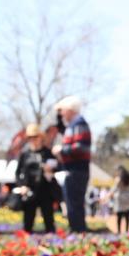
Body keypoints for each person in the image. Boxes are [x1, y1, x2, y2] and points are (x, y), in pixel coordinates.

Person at [53, 96, 92, 233]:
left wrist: (62, 150)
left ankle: (78, 231)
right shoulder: (71, 125)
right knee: (71, 203)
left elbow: (81, 147)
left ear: (70, 110)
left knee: (75, 204)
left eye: (63, 110)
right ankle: (76, 230)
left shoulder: (79, 124)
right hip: (72, 169)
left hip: (77, 170)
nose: (61, 114)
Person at [15, 123, 57, 233]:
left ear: (40, 137)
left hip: (45, 190)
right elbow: (18, 173)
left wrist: (50, 170)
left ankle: (51, 238)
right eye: (30, 137)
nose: (33, 140)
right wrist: (22, 186)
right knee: (28, 221)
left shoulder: (48, 152)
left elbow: (57, 167)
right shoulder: (25, 154)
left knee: (49, 219)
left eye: (35, 137)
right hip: (29, 190)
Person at [109, 166, 129, 234]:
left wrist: (109, 195)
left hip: (120, 198)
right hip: (128, 197)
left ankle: (119, 231)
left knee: (119, 216)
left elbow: (115, 187)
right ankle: (127, 231)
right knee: (127, 216)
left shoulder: (118, 178)